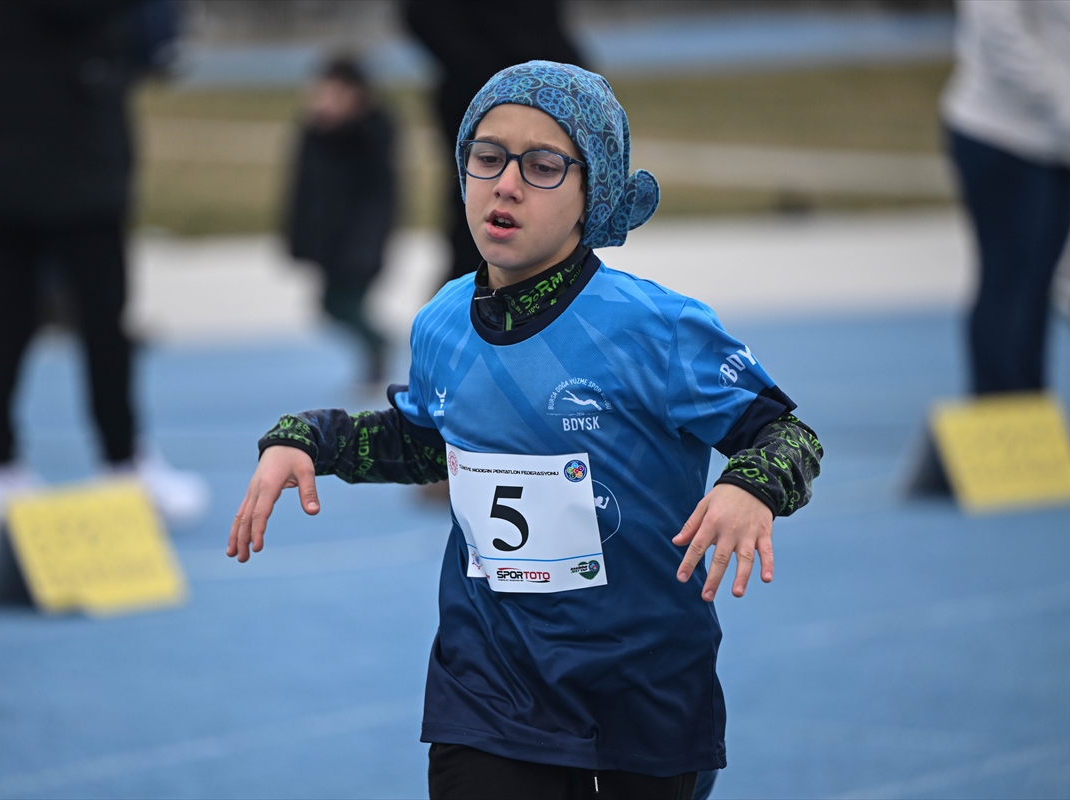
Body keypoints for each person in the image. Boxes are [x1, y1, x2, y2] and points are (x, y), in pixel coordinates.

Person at [229, 62, 823, 800]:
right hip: (491, 687)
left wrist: (750, 488)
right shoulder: (443, 320)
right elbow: (423, 440)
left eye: (542, 166)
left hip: (644, 685)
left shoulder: (656, 328)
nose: (505, 184)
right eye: (487, 157)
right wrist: (307, 438)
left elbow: (787, 437)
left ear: (591, 192)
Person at [0, 0, 208, 536]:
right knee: (60, 309)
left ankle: (33, 464)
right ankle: (89, 463)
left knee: (29, 307)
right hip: (51, 135)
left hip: (26, 132)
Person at [941, 0, 1070, 394]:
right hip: (1005, 136)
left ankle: (1029, 419)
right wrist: (1062, 101)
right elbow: (995, 20)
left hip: (1062, 142)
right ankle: (999, 420)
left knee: (1034, 288)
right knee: (1008, 285)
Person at [403, 0, 583, 285]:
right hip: (474, 91)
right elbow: (421, 15)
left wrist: (568, 74)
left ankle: (551, 284)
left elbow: (547, 19)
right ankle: (474, 292)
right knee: (481, 192)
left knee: (551, 186)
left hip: (548, 87)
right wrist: (484, 75)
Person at [282, 57, 396, 386]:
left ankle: (377, 348)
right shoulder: (316, 130)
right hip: (329, 235)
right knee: (332, 305)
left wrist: (336, 124)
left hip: (359, 236)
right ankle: (374, 354)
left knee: (341, 303)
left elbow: (368, 170)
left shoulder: (370, 128)